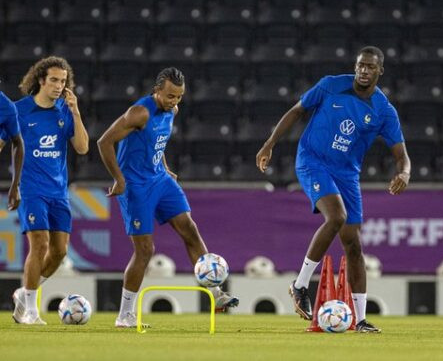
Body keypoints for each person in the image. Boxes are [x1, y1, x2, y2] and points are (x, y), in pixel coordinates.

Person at [256, 46, 411, 333]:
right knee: (336, 217)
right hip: (313, 161)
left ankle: (361, 319)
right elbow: (296, 110)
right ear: (355, 66)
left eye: (370, 67)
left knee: (353, 244)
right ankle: (300, 284)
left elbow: (400, 153)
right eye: (360, 65)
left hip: (347, 174)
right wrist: (270, 144)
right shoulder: (330, 85)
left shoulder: (384, 110)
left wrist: (404, 171)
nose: (364, 71)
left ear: (380, 71)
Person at [97, 67, 239, 328]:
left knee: (190, 229)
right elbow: (104, 142)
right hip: (136, 185)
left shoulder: (172, 111)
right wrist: (119, 179)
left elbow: (157, 141)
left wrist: (163, 164)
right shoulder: (139, 113)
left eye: (179, 96)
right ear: (157, 91)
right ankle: (125, 314)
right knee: (145, 250)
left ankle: (215, 294)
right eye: (170, 96)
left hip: (160, 179)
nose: (174, 102)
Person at [9, 56, 89, 324]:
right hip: (31, 189)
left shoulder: (65, 111)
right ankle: (31, 309)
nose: (58, 85)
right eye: (54, 80)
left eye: (63, 81)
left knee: (59, 252)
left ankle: (24, 294)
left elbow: (82, 147)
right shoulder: (19, 110)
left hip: (58, 191)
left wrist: (76, 111)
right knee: (39, 242)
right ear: (40, 80)